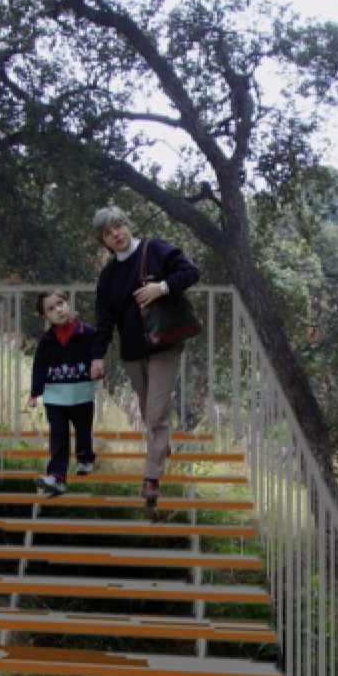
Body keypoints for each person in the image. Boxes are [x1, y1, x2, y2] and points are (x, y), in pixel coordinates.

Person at [87, 206, 200, 513]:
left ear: (127, 225)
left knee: (156, 411)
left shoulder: (156, 250)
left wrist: (161, 287)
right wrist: (97, 356)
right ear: (104, 241)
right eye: (109, 233)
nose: (117, 234)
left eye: (119, 226)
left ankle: (151, 477)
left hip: (165, 345)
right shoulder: (109, 275)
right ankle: (161, 449)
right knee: (150, 412)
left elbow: (191, 272)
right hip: (133, 352)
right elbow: (104, 318)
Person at [27, 289, 98, 497]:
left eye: (60, 304)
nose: (58, 310)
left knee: (83, 431)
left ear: (67, 303)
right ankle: (57, 477)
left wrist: (98, 367)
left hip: (82, 395)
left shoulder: (87, 333)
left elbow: (98, 353)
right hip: (55, 399)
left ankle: (85, 459)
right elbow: (39, 367)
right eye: (51, 308)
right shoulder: (46, 341)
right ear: (45, 316)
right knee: (59, 437)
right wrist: (34, 393)